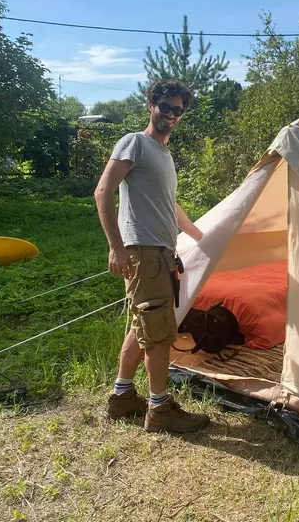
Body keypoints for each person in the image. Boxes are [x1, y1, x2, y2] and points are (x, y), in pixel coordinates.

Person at [94, 78, 210, 433]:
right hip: (142, 251)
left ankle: (122, 397)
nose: (171, 114)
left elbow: (170, 206)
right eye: (165, 106)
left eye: (178, 109)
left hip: (160, 252)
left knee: (142, 326)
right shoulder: (135, 143)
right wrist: (116, 246)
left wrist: (201, 236)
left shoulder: (164, 154)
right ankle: (160, 410)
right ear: (151, 105)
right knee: (159, 334)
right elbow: (103, 191)